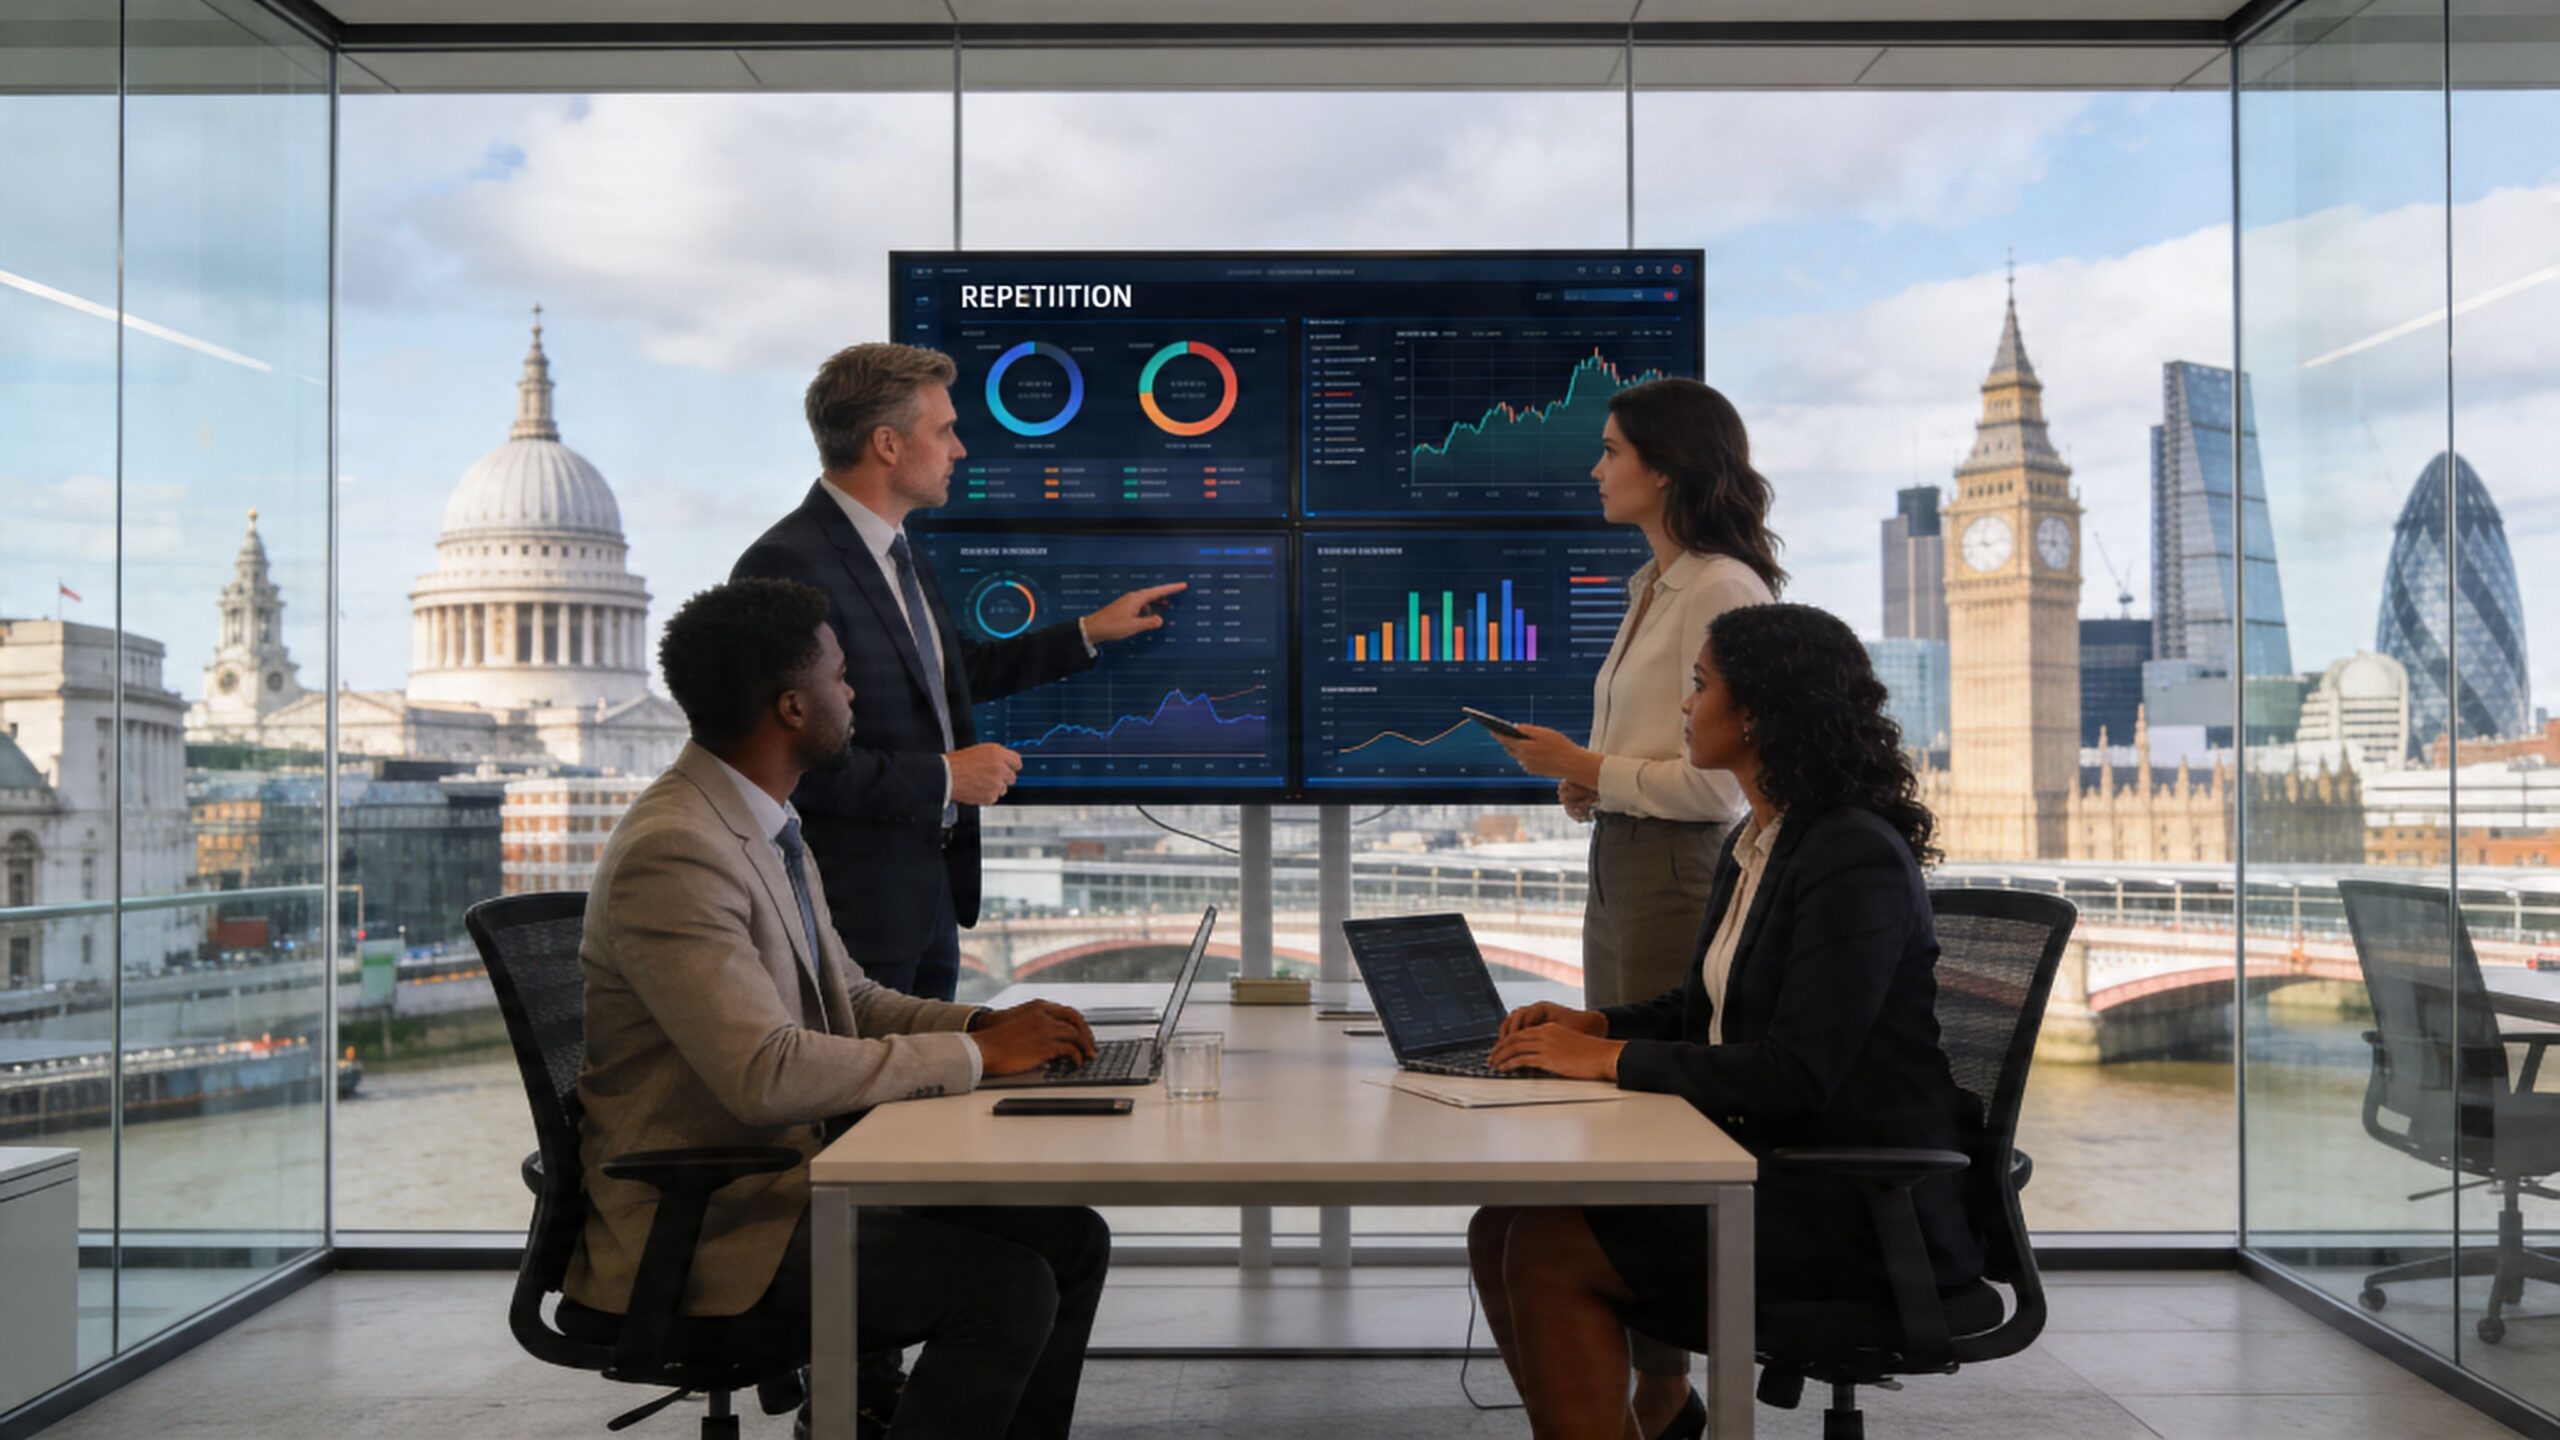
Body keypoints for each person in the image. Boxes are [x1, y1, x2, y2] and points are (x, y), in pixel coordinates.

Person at [568, 576, 1112, 1440]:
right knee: (1005, 1287)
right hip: (715, 1228)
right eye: (839, 675)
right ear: (791, 706)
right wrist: (978, 1061)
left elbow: (848, 999)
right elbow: (764, 1074)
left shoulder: (761, 822)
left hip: (786, 1186)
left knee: (1069, 1239)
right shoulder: (676, 849)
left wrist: (985, 1026)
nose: (853, 692)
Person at [1468, 603, 1982, 1440]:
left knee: (1545, 1250)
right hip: (1775, 1169)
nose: (1684, 705)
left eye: (1700, 685)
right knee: (1500, 1227)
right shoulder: (1766, 837)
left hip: (1855, 1205)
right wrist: (1595, 1021)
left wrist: (1610, 1061)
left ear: (1758, 712)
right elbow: (1708, 1007)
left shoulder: (1850, 854)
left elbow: (1793, 1073)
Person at [1485, 376, 1783, 1435]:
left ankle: (1661, 1393)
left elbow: (1717, 783)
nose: (1595, 468)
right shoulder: (1651, 586)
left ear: (1663, 466)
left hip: (1671, 873)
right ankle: (1646, 1386)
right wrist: (1588, 782)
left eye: (1611, 450)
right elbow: (1655, 756)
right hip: (1620, 864)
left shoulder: (1720, 589)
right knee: (1618, 1114)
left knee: (1651, 1122)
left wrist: (1596, 768)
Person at [732, 342, 1185, 1001]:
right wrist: (946, 776)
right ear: (887, 444)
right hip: (851, 917)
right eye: (944, 430)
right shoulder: (787, 564)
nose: (960, 449)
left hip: (930, 900)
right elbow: (788, 764)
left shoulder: (900, 555)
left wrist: (1088, 632)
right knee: (867, 1104)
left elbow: (957, 673)